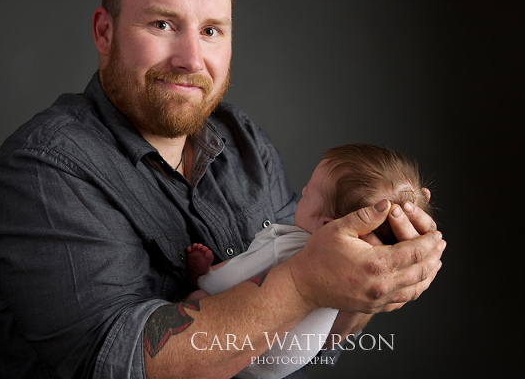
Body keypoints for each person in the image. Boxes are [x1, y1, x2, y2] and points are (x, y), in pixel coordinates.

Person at [0, 0, 446, 379]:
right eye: (163, 24)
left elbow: (308, 345)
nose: (192, 59)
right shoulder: (42, 171)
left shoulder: (245, 142)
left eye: (212, 31)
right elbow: (117, 364)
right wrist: (304, 283)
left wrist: (365, 284)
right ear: (104, 32)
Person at [185, 143, 434, 379]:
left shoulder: (294, 244)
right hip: (287, 363)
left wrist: (206, 277)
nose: (302, 191)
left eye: (309, 194)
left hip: (244, 354)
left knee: (199, 299)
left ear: (327, 226)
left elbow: (238, 272)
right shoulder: (356, 272)